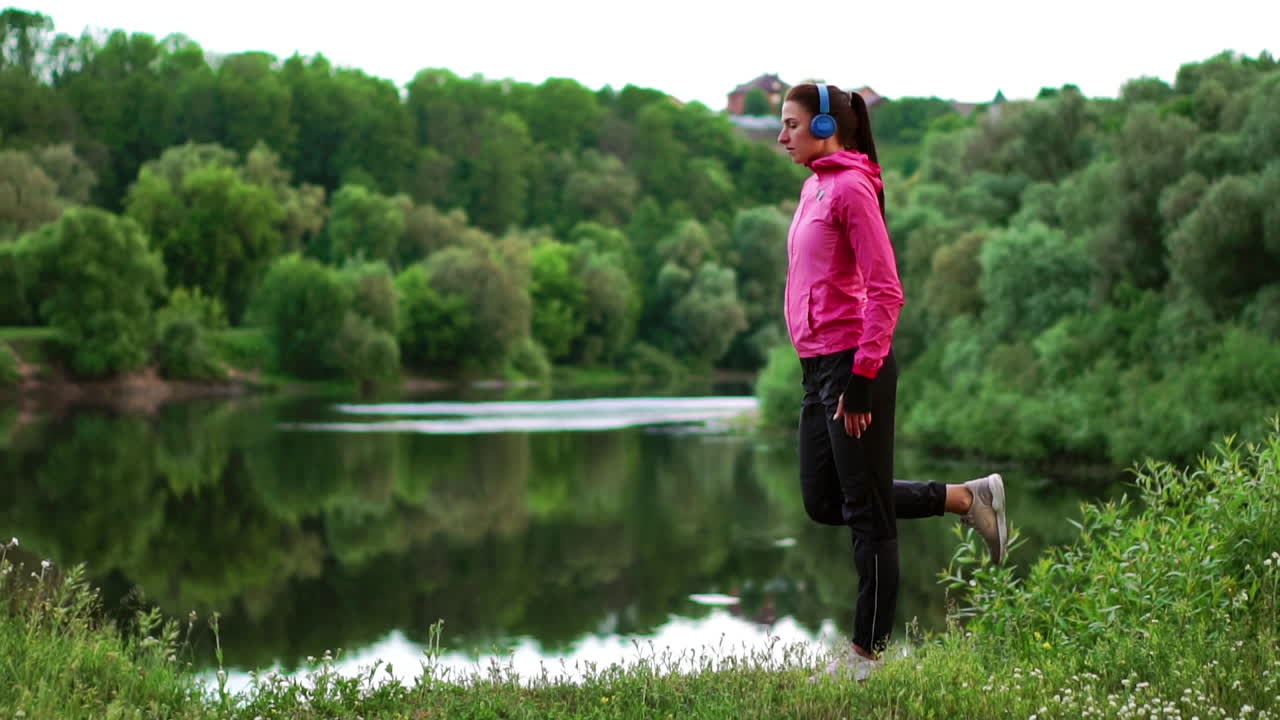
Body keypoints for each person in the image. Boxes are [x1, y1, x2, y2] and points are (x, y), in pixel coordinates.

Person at [778, 83, 1008, 681]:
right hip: (817, 369)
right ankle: (964, 498)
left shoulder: (852, 189)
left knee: (869, 516)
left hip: (855, 365)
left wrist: (862, 376)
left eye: (792, 125)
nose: (782, 136)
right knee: (825, 501)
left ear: (827, 126)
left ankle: (866, 658)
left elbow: (886, 290)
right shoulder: (815, 187)